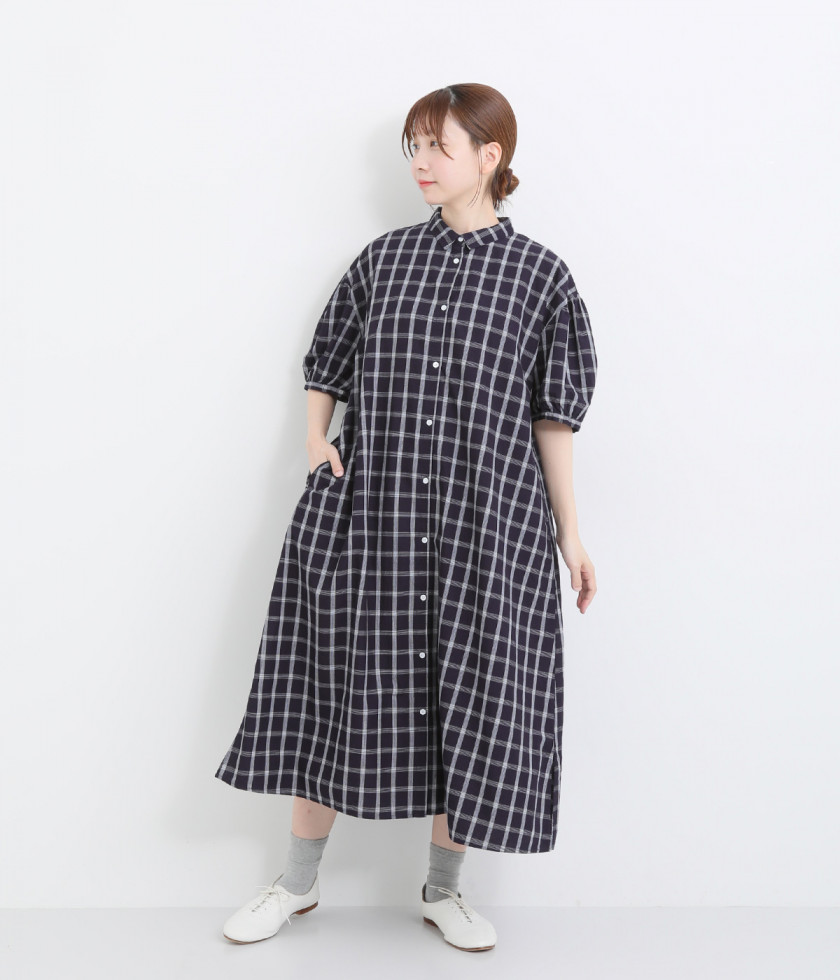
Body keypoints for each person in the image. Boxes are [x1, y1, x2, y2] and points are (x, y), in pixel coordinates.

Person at [215, 82, 598, 953]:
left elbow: (554, 416)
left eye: (438, 147)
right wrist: (316, 438)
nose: (420, 163)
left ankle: (444, 890)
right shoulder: (383, 261)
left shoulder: (541, 278)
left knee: (473, 691)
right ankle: (296, 883)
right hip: (372, 518)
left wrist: (569, 532)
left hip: (486, 523)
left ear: (490, 157)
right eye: (413, 147)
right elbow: (328, 359)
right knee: (328, 684)